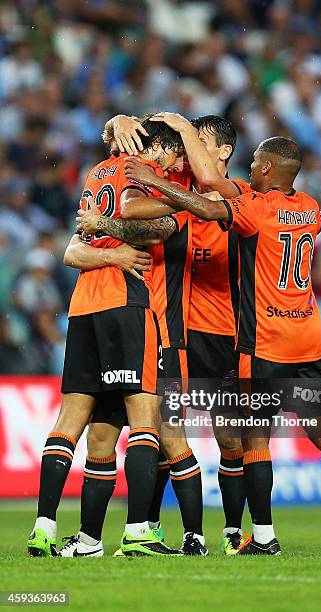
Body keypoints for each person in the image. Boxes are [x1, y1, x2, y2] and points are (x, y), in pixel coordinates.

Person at [123, 136, 321, 555]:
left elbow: (210, 206)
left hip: (264, 342)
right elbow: (235, 194)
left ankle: (263, 536)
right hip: (307, 339)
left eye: (255, 163)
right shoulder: (311, 210)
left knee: (254, 440)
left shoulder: (257, 210)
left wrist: (168, 186)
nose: (249, 168)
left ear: (266, 169)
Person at [88, 111, 254, 554]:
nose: (185, 148)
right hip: (170, 330)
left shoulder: (235, 195)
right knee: (162, 431)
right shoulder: (179, 180)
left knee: (226, 436)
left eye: (196, 140)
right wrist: (120, 119)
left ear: (222, 152)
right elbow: (140, 155)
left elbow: (186, 197)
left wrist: (178, 140)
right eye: (185, 141)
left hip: (224, 335)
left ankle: (227, 531)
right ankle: (155, 528)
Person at [27, 117, 186, 558]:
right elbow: (139, 214)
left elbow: (72, 251)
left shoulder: (97, 173)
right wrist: (181, 205)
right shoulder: (141, 172)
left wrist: (102, 243)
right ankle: (137, 533)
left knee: (77, 425)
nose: (173, 170)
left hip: (83, 308)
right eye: (173, 157)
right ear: (158, 149)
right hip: (126, 302)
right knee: (144, 420)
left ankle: (47, 528)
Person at [60, 115, 207, 557]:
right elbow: (116, 204)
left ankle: (182, 534)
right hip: (124, 319)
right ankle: (92, 539)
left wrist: (105, 224)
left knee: (169, 433)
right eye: (178, 147)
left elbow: (151, 221)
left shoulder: (185, 193)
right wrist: (116, 121)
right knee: (103, 435)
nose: (180, 157)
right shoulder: (140, 175)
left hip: (165, 331)